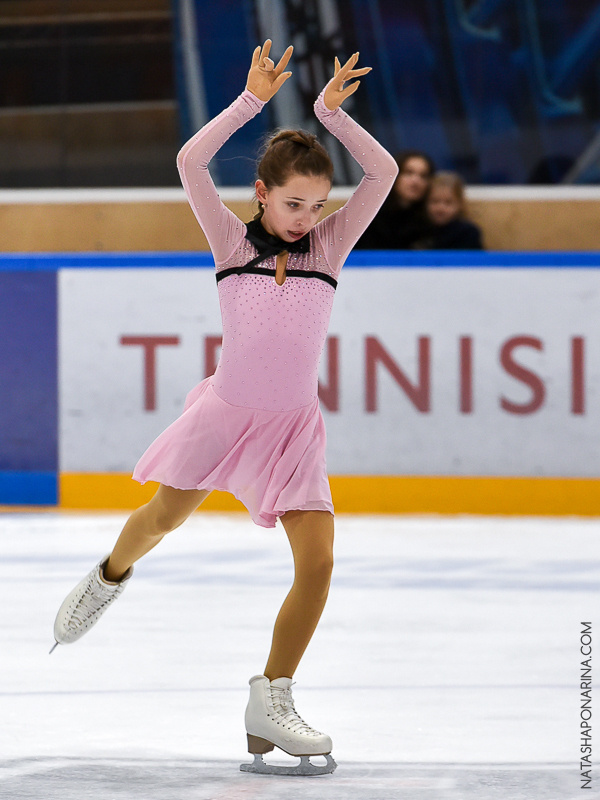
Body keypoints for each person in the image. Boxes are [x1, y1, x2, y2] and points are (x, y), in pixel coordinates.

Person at [50, 40, 398, 777]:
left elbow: (383, 174)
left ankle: (272, 696)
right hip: (225, 416)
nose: (306, 217)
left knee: (319, 563)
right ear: (262, 194)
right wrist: (249, 103)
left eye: (317, 205)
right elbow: (190, 163)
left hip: (293, 431)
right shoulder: (232, 244)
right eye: (293, 203)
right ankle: (110, 574)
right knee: (163, 518)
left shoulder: (329, 250)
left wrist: (331, 114)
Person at [354, 149, 435, 249]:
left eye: (423, 176)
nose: (416, 181)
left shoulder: (432, 219)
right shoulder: (369, 215)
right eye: (408, 173)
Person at [420, 170, 483, 249]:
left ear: (460, 204)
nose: (441, 208)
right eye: (435, 201)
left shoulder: (468, 233)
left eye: (448, 203)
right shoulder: (418, 231)